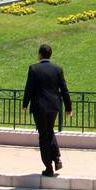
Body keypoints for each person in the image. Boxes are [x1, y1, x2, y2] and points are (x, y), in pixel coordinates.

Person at [22, 43, 72, 176]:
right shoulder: (57, 69)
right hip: (54, 106)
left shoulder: (33, 68)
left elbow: (29, 88)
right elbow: (64, 89)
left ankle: (48, 166)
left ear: (40, 54)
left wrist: (25, 104)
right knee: (49, 131)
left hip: (39, 107)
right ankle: (56, 158)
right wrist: (68, 107)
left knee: (43, 136)